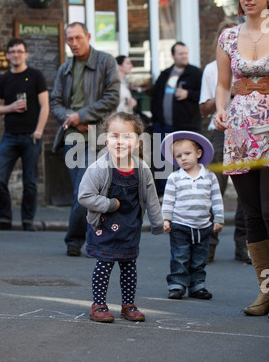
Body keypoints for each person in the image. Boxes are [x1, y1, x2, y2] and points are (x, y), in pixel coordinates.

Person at [215, 0, 269, 317]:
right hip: (238, 132)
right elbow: (222, 84)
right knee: (251, 214)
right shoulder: (227, 37)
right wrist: (220, 110)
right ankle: (266, 292)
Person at [78, 112, 163, 322]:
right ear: (106, 139)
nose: (120, 141)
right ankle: (98, 305)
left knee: (129, 266)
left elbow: (151, 198)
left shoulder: (142, 169)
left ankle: (128, 305)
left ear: (137, 141)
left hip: (129, 227)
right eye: (115, 136)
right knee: (104, 265)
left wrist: (158, 223)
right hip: (104, 226)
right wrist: (108, 204)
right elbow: (84, 196)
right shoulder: (98, 168)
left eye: (127, 136)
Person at [50, 22, 120, 256]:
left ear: (88, 36)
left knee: (86, 188)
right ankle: (88, 238)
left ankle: (75, 239)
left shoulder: (105, 61)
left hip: (97, 136)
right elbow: (55, 102)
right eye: (70, 39)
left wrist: (82, 115)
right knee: (82, 190)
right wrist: (71, 119)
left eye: (78, 38)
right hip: (72, 137)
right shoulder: (65, 68)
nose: (74, 43)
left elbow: (112, 98)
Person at [199, 19, 250, 264]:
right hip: (218, 133)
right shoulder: (211, 69)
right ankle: (208, 247)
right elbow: (203, 109)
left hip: (245, 131)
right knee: (214, 191)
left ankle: (244, 247)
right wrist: (228, 92)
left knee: (246, 194)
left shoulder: (249, 64)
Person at [0, 38, 49, 231]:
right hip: (10, 136)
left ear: (26, 54)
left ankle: (27, 221)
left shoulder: (35, 76)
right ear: (8, 55)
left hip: (31, 136)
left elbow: (45, 105)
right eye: (12, 51)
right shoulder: (4, 78)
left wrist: (39, 131)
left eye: (19, 51)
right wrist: (11, 107)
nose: (16, 54)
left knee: (30, 181)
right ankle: (5, 219)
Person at [161, 131, 224, 300]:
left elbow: (216, 198)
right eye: (178, 156)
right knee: (180, 256)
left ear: (198, 153)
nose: (183, 158)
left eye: (187, 154)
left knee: (199, 257)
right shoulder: (175, 177)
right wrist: (166, 219)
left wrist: (218, 219)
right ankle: (177, 285)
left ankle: (198, 286)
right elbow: (168, 200)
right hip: (180, 225)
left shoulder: (209, 176)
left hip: (203, 226)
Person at [151, 42, 202, 196]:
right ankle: (164, 195)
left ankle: (187, 194)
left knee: (185, 161)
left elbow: (206, 95)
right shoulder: (166, 74)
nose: (184, 56)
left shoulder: (195, 73)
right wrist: (156, 119)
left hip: (186, 127)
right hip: (163, 126)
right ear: (173, 56)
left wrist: (188, 94)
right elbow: (155, 97)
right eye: (180, 54)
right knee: (162, 163)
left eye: (186, 53)